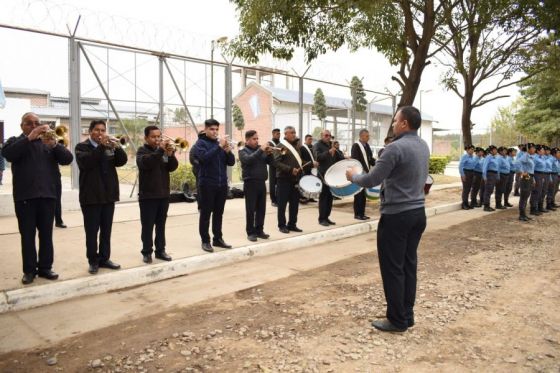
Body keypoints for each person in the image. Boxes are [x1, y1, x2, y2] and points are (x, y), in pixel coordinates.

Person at [346, 106, 429, 333]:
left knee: (393, 268)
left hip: (397, 215)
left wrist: (354, 176)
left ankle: (396, 320)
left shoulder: (394, 148)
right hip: (418, 213)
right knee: (409, 265)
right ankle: (407, 315)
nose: (392, 124)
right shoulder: (423, 145)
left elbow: (372, 179)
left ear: (404, 124)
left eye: (395, 121)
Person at [2, 112, 73, 284]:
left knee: (46, 235)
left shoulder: (48, 143)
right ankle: (29, 270)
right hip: (25, 198)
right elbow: (9, 154)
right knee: (27, 236)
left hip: (47, 196)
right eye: (29, 123)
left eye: (37, 123)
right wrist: (30, 137)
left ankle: (45, 268)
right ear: (22, 126)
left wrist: (55, 145)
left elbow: (67, 159)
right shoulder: (14, 141)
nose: (34, 126)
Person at [75, 119, 128, 274]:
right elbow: (87, 163)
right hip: (90, 196)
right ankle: (93, 260)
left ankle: (104, 258)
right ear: (90, 131)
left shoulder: (108, 146)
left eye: (103, 130)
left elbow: (121, 161)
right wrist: (101, 147)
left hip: (108, 195)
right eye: (97, 130)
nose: (100, 133)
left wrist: (116, 147)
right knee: (92, 232)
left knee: (106, 230)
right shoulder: (82, 147)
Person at [191, 119, 235, 252]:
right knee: (205, 214)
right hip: (207, 184)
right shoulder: (200, 143)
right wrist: (219, 147)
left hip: (221, 184)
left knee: (218, 213)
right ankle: (205, 241)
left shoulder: (219, 144)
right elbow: (203, 159)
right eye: (212, 129)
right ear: (205, 130)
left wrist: (228, 151)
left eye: (216, 129)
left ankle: (218, 238)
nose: (215, 132)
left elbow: (231, 162)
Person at [136, 126, 178, 263]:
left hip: (163, 194)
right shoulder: (142, 151)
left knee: (161, 225)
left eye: (159, 136)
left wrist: (171, 155)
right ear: (146, 138)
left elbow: (172, 167)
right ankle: (147, 252)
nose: (157, 139)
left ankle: (161, 250)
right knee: (147, 226)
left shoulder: (164, 152)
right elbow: (146, 163)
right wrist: (161, 150)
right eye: (153, 137)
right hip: (148, 195)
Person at [273, 126, 310, 233]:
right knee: (282, 204)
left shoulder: (297, 147)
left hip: (295, 179)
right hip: (283, 179)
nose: (294, 134)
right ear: (286, 134)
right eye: (292, 133)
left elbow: (298, 161)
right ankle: (282, 225)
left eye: (294, 132)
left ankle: (292, 224)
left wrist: (306, 164)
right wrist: (290, 169)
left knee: (294, 203)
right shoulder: (280, 146)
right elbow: (276, 162)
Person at [239, 130, 274, 242]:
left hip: (261, 183)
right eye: (254, 139)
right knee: (251, 209)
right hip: (250, 183)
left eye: (257, 138)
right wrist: (261, 150)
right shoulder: (243, 151)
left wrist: (269, 154)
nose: (257, 140)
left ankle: (259, 230)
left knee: (261, 209)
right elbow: (249, 160)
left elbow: (270, 162)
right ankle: (250, 232)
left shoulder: (261, 151)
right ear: (247, 140)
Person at [314, 130, 343, 226]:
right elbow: (317, 157)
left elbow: (338, 156)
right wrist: (328, 152)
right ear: (321, 136)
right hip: (323, 174)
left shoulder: (331, 144)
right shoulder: (318, 145)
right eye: (326, 135)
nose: (328, 137)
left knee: (330, 197)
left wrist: (345, 159)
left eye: (329, 135)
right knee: (323, 197)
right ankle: (321, 219)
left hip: (332, 175)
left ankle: (327, 217)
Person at [351, 129, 376, 220]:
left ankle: (362, 213)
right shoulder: (356, 146)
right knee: (358, 194)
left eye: (368, 136)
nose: (368, 138)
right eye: (367, 136)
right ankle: (357, 214)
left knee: (363, 195)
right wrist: (362, 171)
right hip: (359, 173)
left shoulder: (367, 146)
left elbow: (370, 158)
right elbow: (355, 160)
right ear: (361, 136)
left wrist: (377, 163)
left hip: (366, 174)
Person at [517, 143, 535, 221]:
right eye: (533, 148)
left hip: (530, 177)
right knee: (524, 196)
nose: (534, 150)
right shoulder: (525, 156)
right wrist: (522, 172)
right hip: (525, 178)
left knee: (526, 195)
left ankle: (524, 214)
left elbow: (531, 169)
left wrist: (533, 179)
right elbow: (517, 163)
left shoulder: (530, 157)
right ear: (529, 149)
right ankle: (521, 215)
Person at [189, 130, 205, 210]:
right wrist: (201, 163)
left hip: (208, 171)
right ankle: (201, 206)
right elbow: (192, 160)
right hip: (198, 170)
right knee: (200, 188)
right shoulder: (195, 146)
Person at [482, 145, 500, 212]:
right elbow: (484, 168)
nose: (496, 151)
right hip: (490, 174)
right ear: (491, 151)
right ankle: (486, 206)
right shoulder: (488, 157)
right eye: (495, 150)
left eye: (496, 150)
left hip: (494, 175)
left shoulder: (495, 158)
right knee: (488, 190)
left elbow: (497, 168)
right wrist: (485, 177)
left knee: (491, 190)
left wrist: (498, 176)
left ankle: (488, 205)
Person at [530, 145, 547, 215]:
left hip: (541, 175)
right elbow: (532, 169)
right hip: (536, 175)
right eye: (542, 150)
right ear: (538, 151)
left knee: (540, 192)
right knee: (536, 192)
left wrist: (543, 177)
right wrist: (533, 178)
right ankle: (533, 209)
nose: (544, 151)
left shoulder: (542, 157)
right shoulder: (535, 158)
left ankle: (537, 208)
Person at [458, 145, 476, 210]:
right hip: (466, 173)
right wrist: (462, 175)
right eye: (471, 149)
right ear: (467, 150)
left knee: (469, 189)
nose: (472, 150)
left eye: (473, 149)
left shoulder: (473, 157)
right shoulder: (464, 156)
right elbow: (460, 166)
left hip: (472, 173)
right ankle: (464, 204)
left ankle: (467, 203)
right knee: (466, 189)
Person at [267, 128, 281, 207]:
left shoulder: (280, 143)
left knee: (278, 183)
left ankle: (278, 199)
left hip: (279, 165)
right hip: (272, 166)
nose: (279, 135)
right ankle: (273, 200)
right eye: (277, 134)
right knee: (273, 183)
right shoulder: (270, 143)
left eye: (279, 134)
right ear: (273, 134)